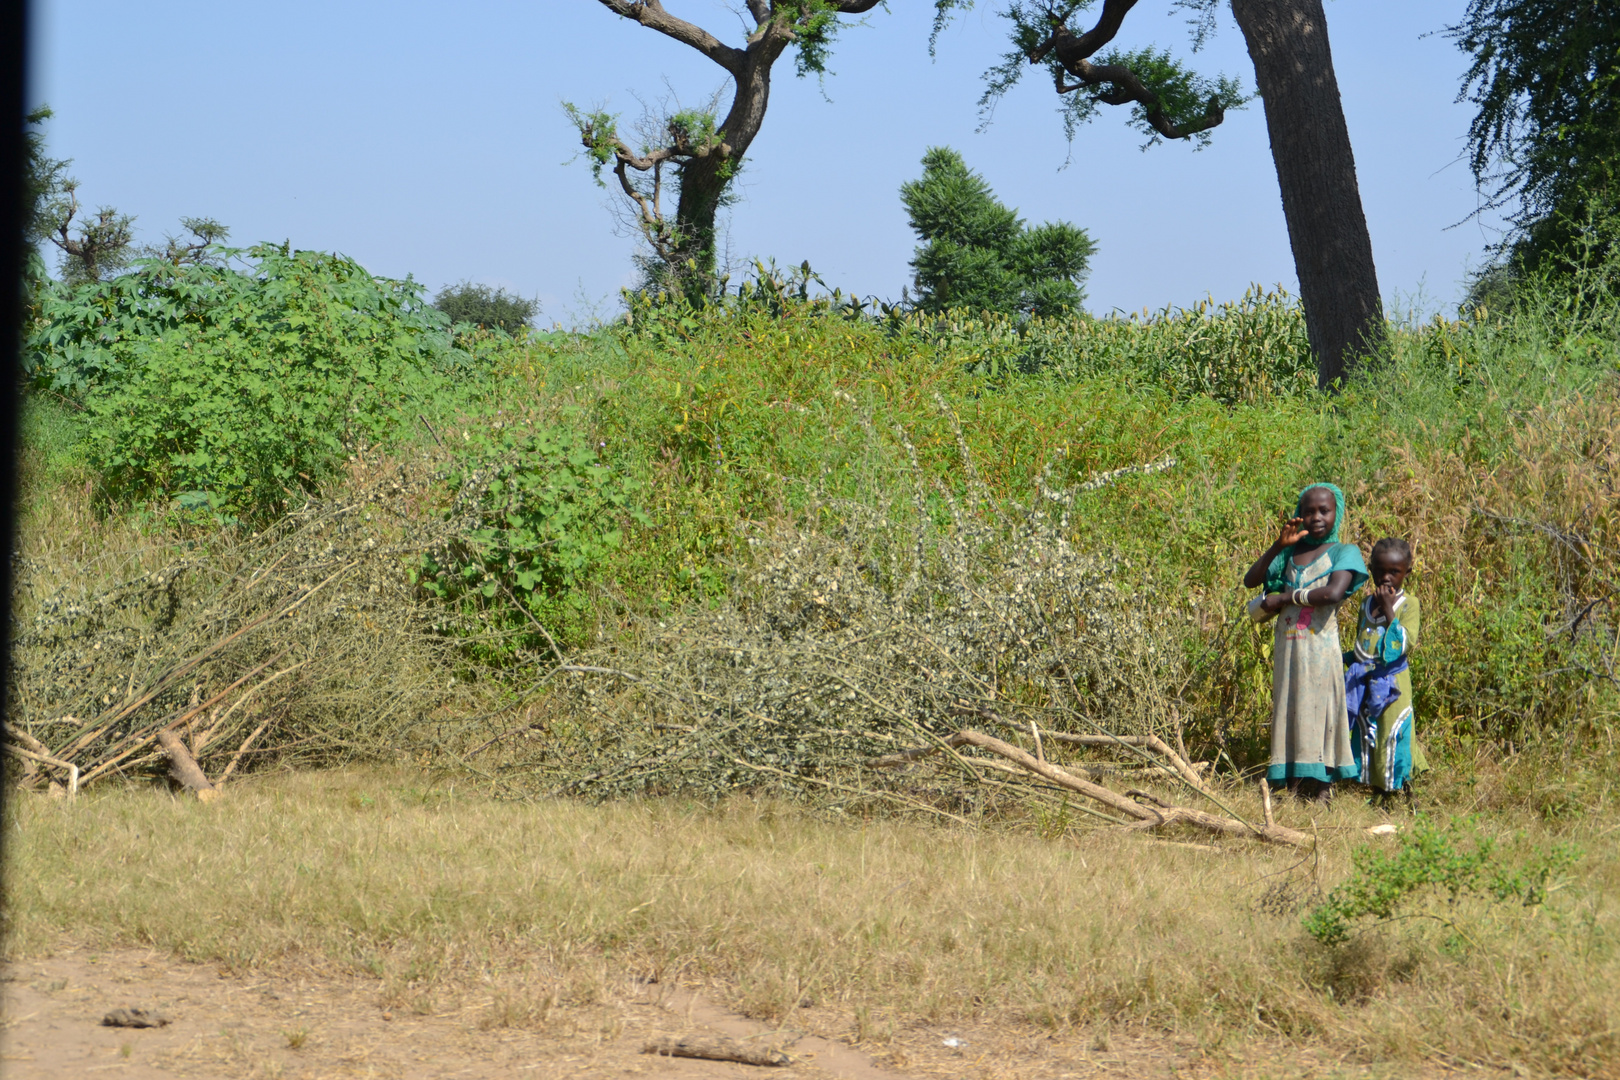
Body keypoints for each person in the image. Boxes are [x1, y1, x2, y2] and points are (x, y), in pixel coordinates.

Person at [1242, 483, 1369, 802]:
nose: (1316, 517)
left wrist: (1285, 597)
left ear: (1336, 513)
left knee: (1322, 709)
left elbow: (1333, 593)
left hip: (1320, 648)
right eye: (1308, 511)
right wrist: (1277, 545)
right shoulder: (1288, 554)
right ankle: (1296, 786)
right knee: (1292, 708)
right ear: (1299, 516)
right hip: (1289, 647)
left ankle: (1323, 788)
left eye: (1324, 510)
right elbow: (1251, 581)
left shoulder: (1344, 552)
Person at [1345, 537, 1427, 800]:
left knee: (1395, 732)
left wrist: (1389, 610)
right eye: (1380, 570)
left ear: (1407, 573)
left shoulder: (1408, 604)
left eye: (1395, 572)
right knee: (1372, 732)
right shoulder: (1365, 604)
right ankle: (1378, 788)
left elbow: (1401, 645)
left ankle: (1401, 789)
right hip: (1367, 682)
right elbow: (1362, 644)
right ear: (1371, 570)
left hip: (1394, 684)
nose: (1387, 578)